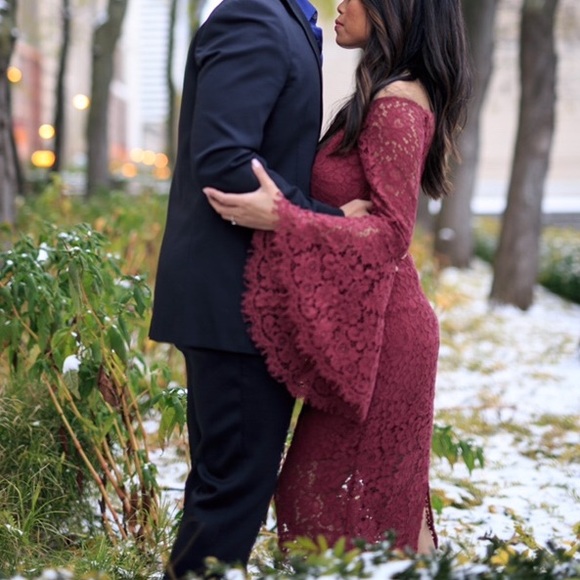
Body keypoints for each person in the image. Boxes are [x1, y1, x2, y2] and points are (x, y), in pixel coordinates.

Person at [204, 0, 472, 555]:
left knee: (338, 513)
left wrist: (285, 217)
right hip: (370, 331)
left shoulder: (396, 105)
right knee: (347, 513)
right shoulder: (382, 95)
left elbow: (391, 234)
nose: (341, 3)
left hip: (387, 339)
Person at [149, 0, 371, 577]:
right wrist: (327, 220)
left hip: (249, 297)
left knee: (225, 485)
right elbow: (225, 162)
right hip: (234, 301)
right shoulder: (254, 17)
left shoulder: (289, 20)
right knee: (232, 490)